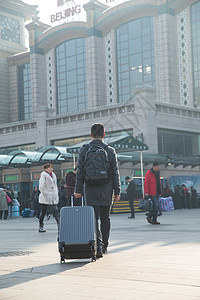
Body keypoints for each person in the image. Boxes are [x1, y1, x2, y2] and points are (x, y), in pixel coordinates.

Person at [74, 123, 121, 258]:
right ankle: (105, 245)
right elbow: (115, 172)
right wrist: (117, 191)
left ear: (91, 135)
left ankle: (98, 244)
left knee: (93, 218)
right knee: (106, 218)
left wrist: (78, 190)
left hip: (90, 189)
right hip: (106, 189)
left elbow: (80, 172)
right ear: (104, 135)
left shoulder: (84, 150)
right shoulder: (110, 150)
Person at [38, 163, 59, 233]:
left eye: (51, 168)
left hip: (53, 196)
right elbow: (41, 186)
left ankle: (59, 224)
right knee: (43, 212)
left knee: (55, 211)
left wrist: (55, 193)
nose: (51, 169)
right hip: (45, 197)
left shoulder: (53, 175)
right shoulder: (43, 175)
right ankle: (41, 226)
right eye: (49, 168)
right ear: (46, 169)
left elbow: (55, 185)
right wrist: (46, 193)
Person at [144, 160, 162, 225]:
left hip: (157, 191)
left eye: (158, 167)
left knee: (156, 206)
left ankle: (154, 219)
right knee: (155, 205)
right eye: (157, 166)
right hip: (151, 192)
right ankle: (149, 216)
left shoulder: (158, 173)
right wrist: (146, 192)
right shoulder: (149, 173)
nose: (158, 168)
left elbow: (159, 183)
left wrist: (160, 191)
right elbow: (146, 183)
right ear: (153, 166)